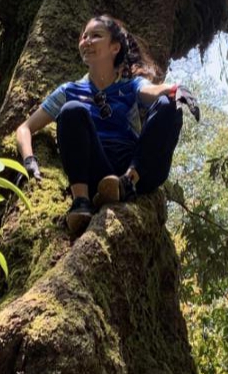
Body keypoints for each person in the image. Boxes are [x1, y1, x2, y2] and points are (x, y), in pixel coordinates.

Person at [15, 15, 199, 237]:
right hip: (95, 165)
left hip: (135, 167)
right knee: (72, 110)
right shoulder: (69, 91)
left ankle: (126, 185)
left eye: (96, 35)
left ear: (114, 47)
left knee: (170, 104)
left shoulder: (131, 85)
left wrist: (176, 89)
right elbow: (24, 128)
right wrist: (28, 160)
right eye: (84, 36)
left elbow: (152, 91)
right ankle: (81, 201)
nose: (87, 41)